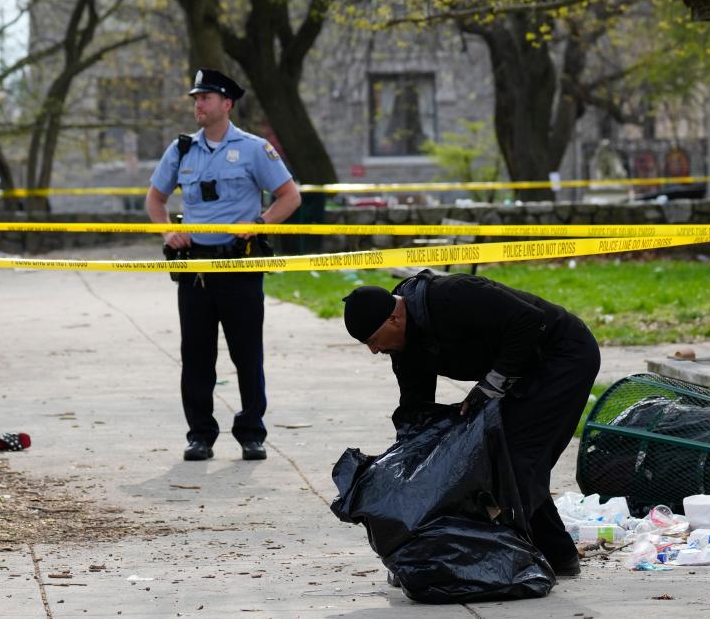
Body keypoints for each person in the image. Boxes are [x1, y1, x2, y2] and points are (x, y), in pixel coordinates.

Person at [341, 269, 600, 576]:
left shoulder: (452, 295)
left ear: (394, 319)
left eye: (372, 340)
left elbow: (528, 321)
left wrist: (489, 388)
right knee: (495, 459)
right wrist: (406, 469)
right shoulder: (405, 347)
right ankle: (555, 555)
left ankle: (526, 557)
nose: (373, 351)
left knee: (516, 461)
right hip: (521, 370)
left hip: (562, 357)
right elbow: (416, 409)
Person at [146, 68, 301, 462]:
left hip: (238, 266)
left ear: (226, 103)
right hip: (196, 270)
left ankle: (252, 432)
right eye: (196, 98)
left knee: (246, 353)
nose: (198, 104)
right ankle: (200, 434)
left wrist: (261, 224)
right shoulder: (181, 150)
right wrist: (168, 233)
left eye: (206, 98)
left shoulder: (253, 148)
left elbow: (289, 196)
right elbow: (155, 199)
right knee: (196, 356)